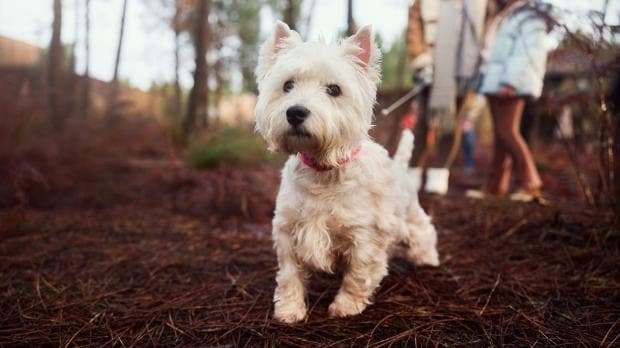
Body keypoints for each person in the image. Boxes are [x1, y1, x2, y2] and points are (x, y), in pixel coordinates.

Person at [477, 0, 551, 201]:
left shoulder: (530, 15)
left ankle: (530, 183)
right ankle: (495, 186)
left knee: (508, 132)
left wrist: (511, 81)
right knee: (501, 137)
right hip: (495, 81)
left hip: (509, 83)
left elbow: (527, 52)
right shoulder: (507, 14)